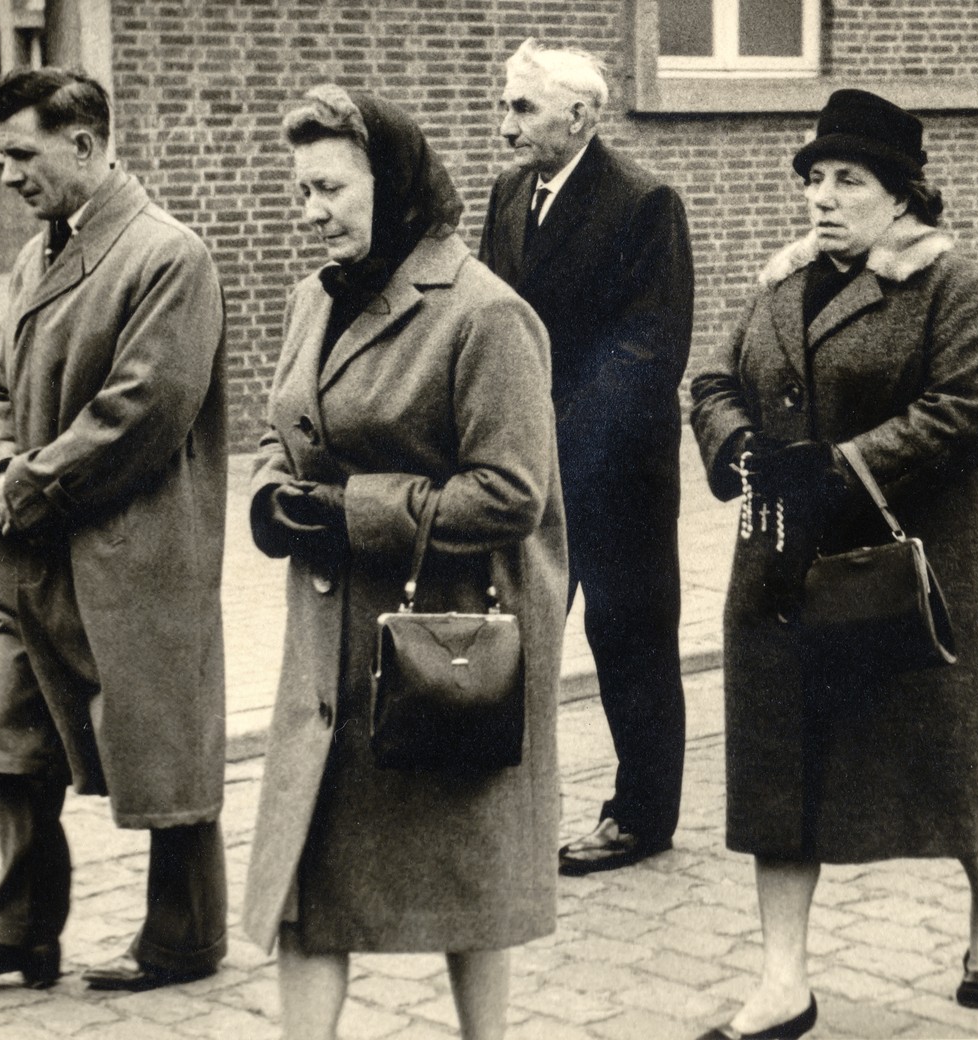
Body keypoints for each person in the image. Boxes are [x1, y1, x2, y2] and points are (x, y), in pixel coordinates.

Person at [240, 85, 567, 1040]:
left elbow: (513, 493)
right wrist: (271, 490)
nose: (312, 211)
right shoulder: (315, 297)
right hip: (328, 650)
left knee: (467, 875)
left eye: (331, 189)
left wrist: (352, 511)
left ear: (393, 182)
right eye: (302, 190)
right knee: (310, 881)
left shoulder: (484, 314)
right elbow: (284, 426)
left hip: (444, 644)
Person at [689, 89, 978, 1037]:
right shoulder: (782, 281)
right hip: (780, 566)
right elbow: (712, 379)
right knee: (779, 765)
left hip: (899, 570)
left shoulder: (950, 286)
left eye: (850, 180)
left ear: (902, 195)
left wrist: (839, 467)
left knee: (943, 755)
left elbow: (970, 405)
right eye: (815, 179)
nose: (823, 198)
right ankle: (783, 980)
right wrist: (738, 445)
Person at [0, 67, 229, 995]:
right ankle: (20, 931)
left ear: (85, 145)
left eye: (22, 153)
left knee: (163, 755)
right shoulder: (32, 257)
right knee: (8, 745)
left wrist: (34, 483)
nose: (6, 174)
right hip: (30, 556)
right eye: (0, 154)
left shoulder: (169, 255)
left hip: (133, 554)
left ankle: (183, 939)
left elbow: (143, 409)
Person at [479, 38, 694, 876]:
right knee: (510, 639)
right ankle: (501, 812)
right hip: (521, 468)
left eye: (522, 108)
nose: (506, 127)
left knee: (629, 642)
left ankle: (641, 817)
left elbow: (646, 351)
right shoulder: (509, 194)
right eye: (506, 106)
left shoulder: (644, 203)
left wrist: (552, 442)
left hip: (614, 475)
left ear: (579, 115)